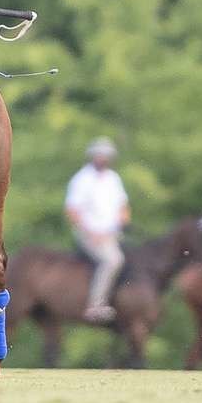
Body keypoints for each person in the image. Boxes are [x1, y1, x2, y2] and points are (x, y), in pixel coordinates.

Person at [65, 137, 130, 322]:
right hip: (90, 235)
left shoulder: (113, 178)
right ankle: (96, 304)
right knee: (113, 260)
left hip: (112, 234)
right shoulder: (82, 179)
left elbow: (122, 206)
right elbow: (73, 210)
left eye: (106, 155)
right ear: (93, 156)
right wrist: (92, 233)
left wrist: (122, 220)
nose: (103, 158)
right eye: (100, 155)